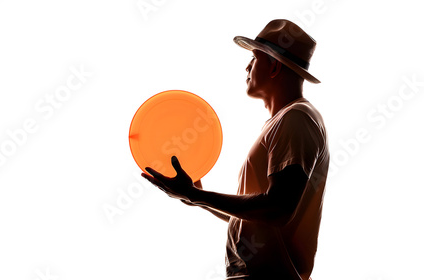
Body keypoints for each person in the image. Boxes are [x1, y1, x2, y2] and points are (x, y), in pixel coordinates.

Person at [141, 19, 330, 280]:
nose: (247, 66)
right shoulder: (286, 120)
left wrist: (196, 197)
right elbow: (254, 217)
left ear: (274, 66)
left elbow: (277, 208)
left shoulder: (296, 119)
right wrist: (196, 195)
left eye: (254, 58)